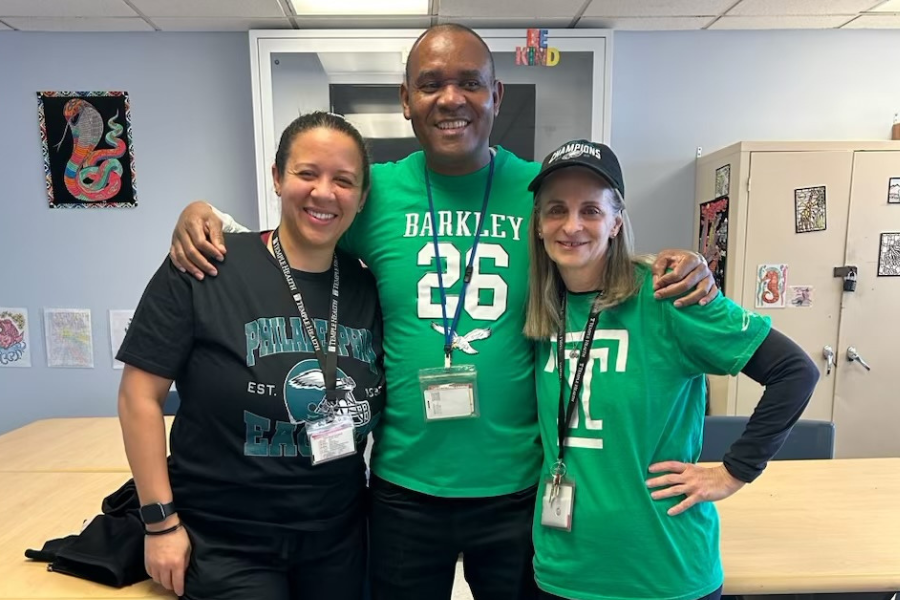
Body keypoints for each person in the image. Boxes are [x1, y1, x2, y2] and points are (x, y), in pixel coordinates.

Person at [166, 25, 719, 600]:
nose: (450, 98)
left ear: (495, 96)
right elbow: (296, 232)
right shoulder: (373, 192)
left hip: (518, 485)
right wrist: (205, 213)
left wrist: (689, 262)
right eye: (430, 84)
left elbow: (600, 246)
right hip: (405, 486)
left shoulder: (542, 192)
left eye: (469, 84)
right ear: (405, 100)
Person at [525, 139, 819, 600]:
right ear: (539, 226)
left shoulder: (670, 295)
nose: (572, 226)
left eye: (591, 211)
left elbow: (796, 372)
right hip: (564, 571)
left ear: (617, 221)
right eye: (556, 210)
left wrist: (733, 471)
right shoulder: (541, 309)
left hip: (664, 571)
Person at [116, 112, 385, 600]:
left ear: (361, 198)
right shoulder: (206, 263)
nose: (324, 193)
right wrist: (159, 524)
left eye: (343, 181)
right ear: (278, 177)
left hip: (338, 537)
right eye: (307, 173)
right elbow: (140, 396)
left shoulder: (367, 287)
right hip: (226, 540)